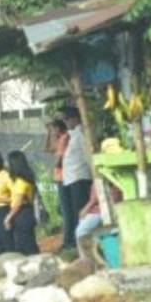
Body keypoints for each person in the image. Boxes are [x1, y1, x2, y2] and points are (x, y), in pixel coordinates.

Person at [59, 106, 93, 249]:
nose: (65, 122)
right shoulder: (72, 135)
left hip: (81, 178)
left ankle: (84, 242)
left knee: (81, 211)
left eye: (66, 119)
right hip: (71, 179)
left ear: (75, 119)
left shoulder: (81, 135)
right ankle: (77, 242)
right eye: (63, 119)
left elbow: (88, 156)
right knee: (74, 212)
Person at [76, 180, 124, 263]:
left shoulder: (115, 183)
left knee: (80, 231)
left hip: (106, 212)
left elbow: (113, 200)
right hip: (96, 212)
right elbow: (92, 201)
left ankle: (87, 260)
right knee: (81, 225)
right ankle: (86, 258)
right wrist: (86, 209)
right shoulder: (96, 182)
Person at [4, 150, 40, 255]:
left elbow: (18, 203)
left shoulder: (21, 182)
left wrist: (8, 218)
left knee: (25, 246)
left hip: (22, 214)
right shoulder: (25, 180)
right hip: (26, 213)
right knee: (28, 243)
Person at [47, 119, 70, 223]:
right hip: (59, 176)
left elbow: (61, 157)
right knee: (63, 206)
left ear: (58, 128)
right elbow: (48, 149)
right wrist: (48, 133)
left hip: (63, 176)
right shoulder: (59, 139)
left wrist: (55, 166)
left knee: (65, 207)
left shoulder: (64, 138)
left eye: (53, 130)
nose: (53, 132)